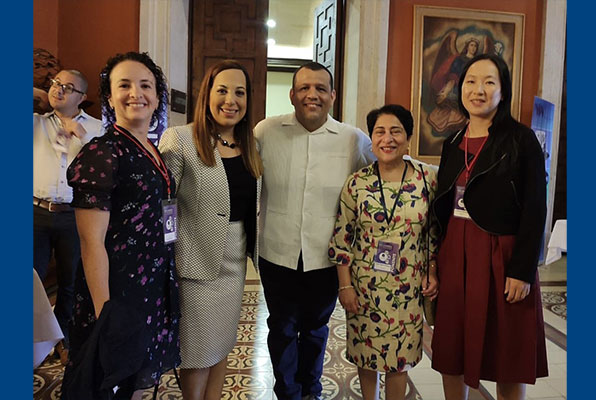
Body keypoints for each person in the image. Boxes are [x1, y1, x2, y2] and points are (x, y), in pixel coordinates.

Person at [61, 52, 180, 400]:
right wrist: (105, 315)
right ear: (110, 97)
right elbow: (90, 242)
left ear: (157, 96)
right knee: (109, 381)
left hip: (151, 287)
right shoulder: (103, 151)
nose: (135, 94)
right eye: (124, 85)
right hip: (117, 291)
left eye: (145, 85)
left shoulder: (151, 149)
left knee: (137, 383)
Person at [254, 61, 375, 400]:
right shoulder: (266, 131)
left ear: (332, 96)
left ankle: (311, 391)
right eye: (305, 88)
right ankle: (287, 393)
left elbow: (380, 176)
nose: (312, 95)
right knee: (281, 328)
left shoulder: (352, 140)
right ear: (292, 94)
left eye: (320, 88)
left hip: (325, 255)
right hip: (277, 251)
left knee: (315, 330)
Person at [430, 53, 548, 400]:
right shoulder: (452, 142)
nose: (477, 90)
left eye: (489, 82)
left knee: (506, 350)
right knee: (452, 346)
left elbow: (535, 209)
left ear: (502, 90)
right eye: (470, 81)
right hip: (457, 254)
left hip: (502, 255)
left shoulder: (521, 140)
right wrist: (435, 261)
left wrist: (522, 270)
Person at [158, 60, 262, 400]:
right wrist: (169, 254)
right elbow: (165, 205)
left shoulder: (250, 147)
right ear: (207, 94)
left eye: (239, 92)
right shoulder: (181, 139)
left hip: (234, 266)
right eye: (222, 90)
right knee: (198, 354)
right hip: (195, 265)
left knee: (222, 348)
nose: (230, 100)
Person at [329, 104, 439, 400]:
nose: (387, 139)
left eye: (396, 132)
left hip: (408, 287)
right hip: (364, 287)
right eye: (380, 132)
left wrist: (431, 271)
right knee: (367, 356)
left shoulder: (426, 179)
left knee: (399, 359)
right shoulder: (357, 183)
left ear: (408, 138)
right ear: (371, 138)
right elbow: (342, 239)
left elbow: (433, 233)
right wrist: (345, 285)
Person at [33, 69, 103, 365]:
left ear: (82, 97)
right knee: (29, 280)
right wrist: (37, 95)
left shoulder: (97, 129)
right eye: (55, 84)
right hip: (34, 212)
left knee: (70, 281)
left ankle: (63, 339)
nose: (59, 90)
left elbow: (105, 166)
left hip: (74, 214)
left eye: (68, 87)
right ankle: (32, 340)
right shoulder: (34, 123)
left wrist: (83, 138)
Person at [428, 37, 479, 135]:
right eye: (471, 45)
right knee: (451, 105)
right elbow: (453, 74)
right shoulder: (459, 59)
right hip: (456, 85)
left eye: (475, 46)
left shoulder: (478, 62)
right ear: (467, 47)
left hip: (472, 89)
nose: (473, 48)